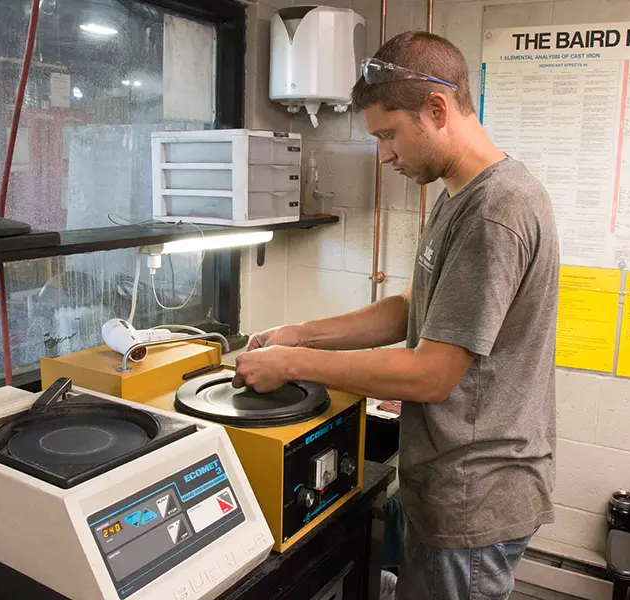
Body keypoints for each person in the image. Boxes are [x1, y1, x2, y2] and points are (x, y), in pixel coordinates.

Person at [232, 31, 559, 600]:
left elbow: (431, 373)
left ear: (436, 109)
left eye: (388, 135)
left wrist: (294, 364)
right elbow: (410, 309)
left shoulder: (494, 212)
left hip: (472, 496)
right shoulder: (459, 193)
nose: (384, 155)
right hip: (446, 479)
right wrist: (297, 334)